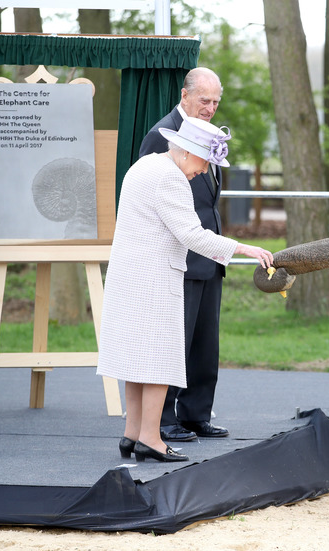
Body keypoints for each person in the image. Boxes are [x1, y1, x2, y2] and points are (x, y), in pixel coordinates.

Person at [97, 118, 274, 462]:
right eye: (205, 161)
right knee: (160, 359)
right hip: (155, 279)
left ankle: (132, 434)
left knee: (136, 360)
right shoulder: (171, 178)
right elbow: (192, 235)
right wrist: (245, 248)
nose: (204, 170)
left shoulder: (144, 166)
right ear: (187, 152)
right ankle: (150, 438)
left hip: (129, 275)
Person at [138, 67, 232, 442]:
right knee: (173, 342)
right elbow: (150, 196)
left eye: (215, 101)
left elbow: (207, 199)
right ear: (184, 95)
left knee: (204, 344)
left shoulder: (207, 135)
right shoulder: (160, 136)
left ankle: (196, 414)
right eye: (204, 100)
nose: (210, 108)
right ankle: (160, 420)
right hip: (176, 257)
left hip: (209, 256)